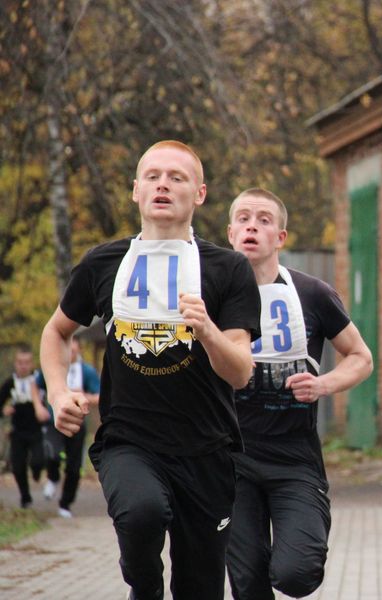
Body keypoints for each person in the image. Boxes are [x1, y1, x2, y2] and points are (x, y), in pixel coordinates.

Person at [39, 140, 261, 600]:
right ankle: (143, 588)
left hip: (207, 450)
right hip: (130, 442)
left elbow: (241, 371)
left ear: (199, 193)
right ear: (135, 190)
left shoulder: (228, 268)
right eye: (153, 176)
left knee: (199, 589)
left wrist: (208, 332)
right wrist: (60, 394)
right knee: (141, 514)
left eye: (177, 177)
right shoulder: (104, 262)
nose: (163, 184)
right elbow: (56, 333)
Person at [224, 188, 373, 599]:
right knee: (248, 580)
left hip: (295, 457)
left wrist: (324, 384)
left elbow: (361, 357)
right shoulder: (210, 296)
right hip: (231, 457)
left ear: (281, 237)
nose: (252, 225)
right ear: (231, 232)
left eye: (264, 220)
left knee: (296, 573)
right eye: (244, 218)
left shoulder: (312, 293)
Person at [35, 336, 100, 518]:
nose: (69, 353)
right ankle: (53, 477)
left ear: (78, 350)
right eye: (67, 349)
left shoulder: (86, 371)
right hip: (54, 420)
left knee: (74, 467)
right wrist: (38, 406)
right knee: (52, 453)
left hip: (77, 423)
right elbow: (36, 384)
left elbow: (99, 395)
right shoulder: (53, 366)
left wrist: (83, 395)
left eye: (73, 350)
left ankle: (65, 503)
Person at [0, 345, 50, 508]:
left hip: (37, 430)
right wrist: (4, 410)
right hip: (18, 431)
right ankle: (25, 497)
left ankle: (36, 472)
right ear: (16, 363)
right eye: (20, 362)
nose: (23, 366)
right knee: (18, 466)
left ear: (31, 363)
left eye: (26, 362)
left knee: (38, 460)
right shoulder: (10, 383)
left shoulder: (39, 380)